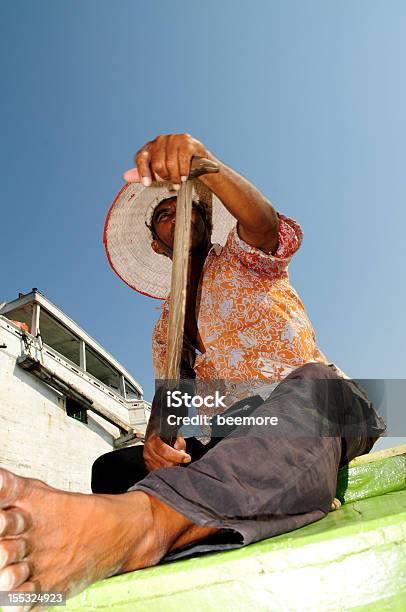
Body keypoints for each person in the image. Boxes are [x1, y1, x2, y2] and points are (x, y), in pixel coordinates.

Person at [0, 134, 385, 605]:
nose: (175, 217)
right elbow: (170, 408)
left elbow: (263, 224)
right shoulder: (166, 328)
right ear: (157, 244)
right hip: (232, 438)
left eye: (186, 209)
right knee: (112, 466)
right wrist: (159, 444)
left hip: (316, 409)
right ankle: (271, 502)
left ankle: (143, 529)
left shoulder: (243, 259)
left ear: (204, 222)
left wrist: (206, 163)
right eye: (163, 215)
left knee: (319, 388)